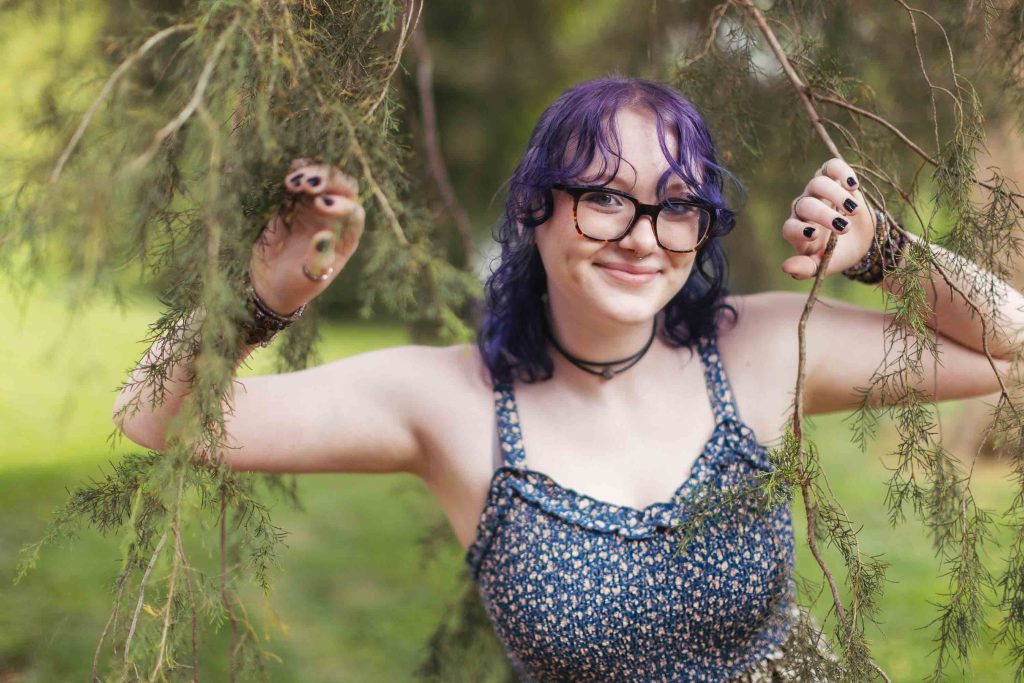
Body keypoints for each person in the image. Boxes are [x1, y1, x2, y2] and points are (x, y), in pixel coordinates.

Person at [113, 77, 1022, 682]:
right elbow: (158, 419)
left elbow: (1005, 344)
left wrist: (888, 252)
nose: (640, 234)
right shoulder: (452, 403)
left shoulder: (758, 347)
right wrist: (267, 291)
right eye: (604, 197)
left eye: (677, 207)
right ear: (531, 208)